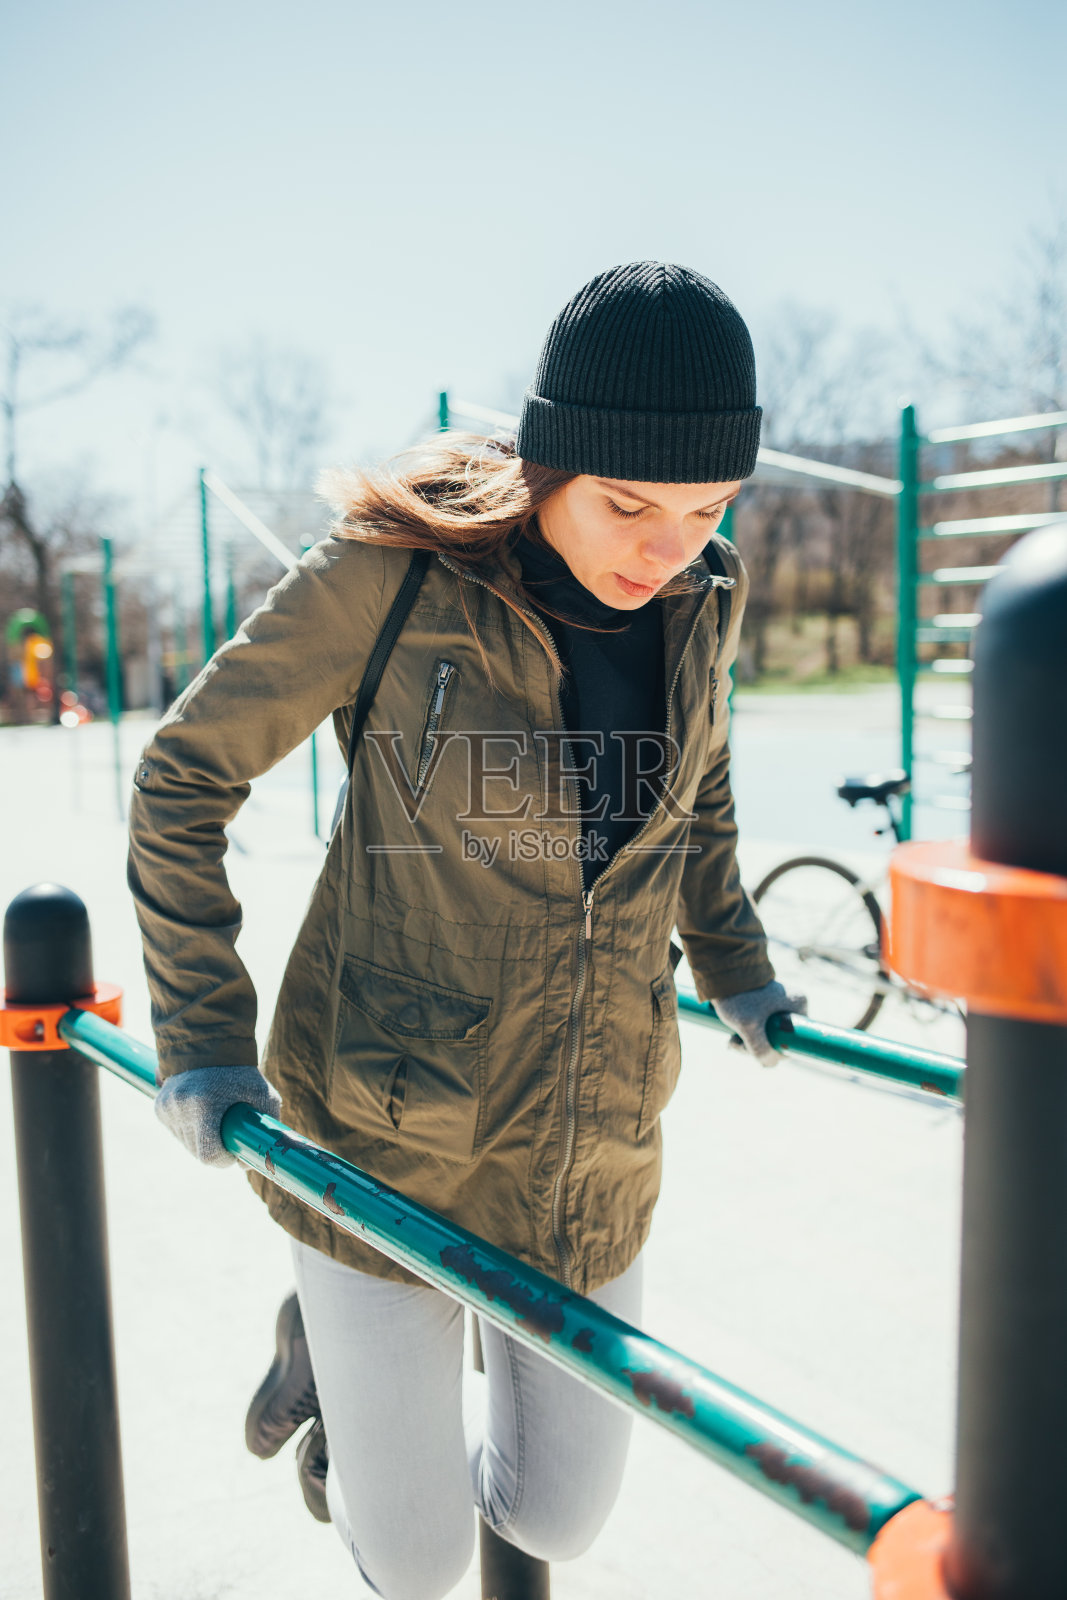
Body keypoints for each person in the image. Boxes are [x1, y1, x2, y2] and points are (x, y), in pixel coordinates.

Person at [128, 261, 805, 1599]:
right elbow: (182, 776)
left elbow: (701, 793)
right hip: (383, 1140)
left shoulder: (702, 600)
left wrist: (740, 967)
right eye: (627, 505)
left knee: (556, 1522)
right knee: (420, 1559)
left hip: (587, 1150)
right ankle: (332, 1345)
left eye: (707, 508)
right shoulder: (393, 579)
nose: (667, 548)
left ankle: (379, 1370)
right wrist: (202, 1039)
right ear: (551, 464)